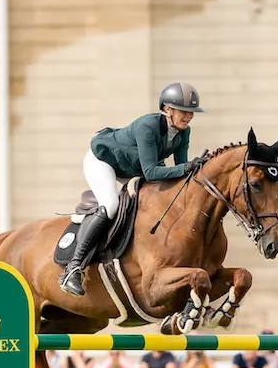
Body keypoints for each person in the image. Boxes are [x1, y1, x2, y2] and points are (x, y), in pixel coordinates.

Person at [60, 82, 207, 296]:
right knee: (111, 205)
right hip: (103, 160)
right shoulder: (148, 126)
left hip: (130, 167)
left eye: (191, 112)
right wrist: (186, 168)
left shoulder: (184, 132)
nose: (188, 116)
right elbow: (151, 172)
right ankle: (73, 268)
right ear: (167, 109)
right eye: (183, 111)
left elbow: (181, 169)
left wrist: (196, 170)